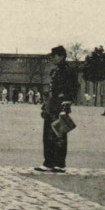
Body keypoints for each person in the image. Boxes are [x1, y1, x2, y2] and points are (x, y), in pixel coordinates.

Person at [35, 45, 76, 173]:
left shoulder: (67, 71)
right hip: (52, 107)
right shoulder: (56, 70)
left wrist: (65, 107)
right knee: (47, 136)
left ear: (61, 56)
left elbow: (70, 90)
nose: (52, 58)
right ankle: (49, 162)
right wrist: (46, 105)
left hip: (60, 107)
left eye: (54, 56)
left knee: (59, 136)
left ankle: (59, 163)